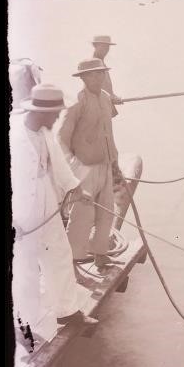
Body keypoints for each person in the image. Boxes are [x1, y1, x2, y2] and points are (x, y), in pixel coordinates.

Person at [11, 84, 98, 354]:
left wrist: (75, 187)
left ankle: (66, 309)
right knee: (24, 268)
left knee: (59, 252)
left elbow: (58, 163)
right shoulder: (14, 135)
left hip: (45, 200)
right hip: (20, 210)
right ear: (41, 112)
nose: (58, 118)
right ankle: (26, 326)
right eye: (56, 113)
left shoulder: (45, 132)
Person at [58, 58, 122, 270]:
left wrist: (115, 162)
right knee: (82, 216)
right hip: (84, 168)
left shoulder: (105, 98)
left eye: (101, 72)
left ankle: (100, 254)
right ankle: (73, 260)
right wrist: (71, 172)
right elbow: (62, 141)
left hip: (105, 164)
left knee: (107, 211)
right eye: (94, 74)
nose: (99, 76)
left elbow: (108, 132)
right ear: (83, 78)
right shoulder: (75, 104)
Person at [91, 35, 123, 106]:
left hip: (104, 107)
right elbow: (93, 90)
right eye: (103, 46)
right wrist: (111, 98)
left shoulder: (101, 64)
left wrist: (114, 97)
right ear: (95, 45)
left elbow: (106, 89)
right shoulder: (91, 64)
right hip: (96, 108)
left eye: (107, 47)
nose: (105, 50)